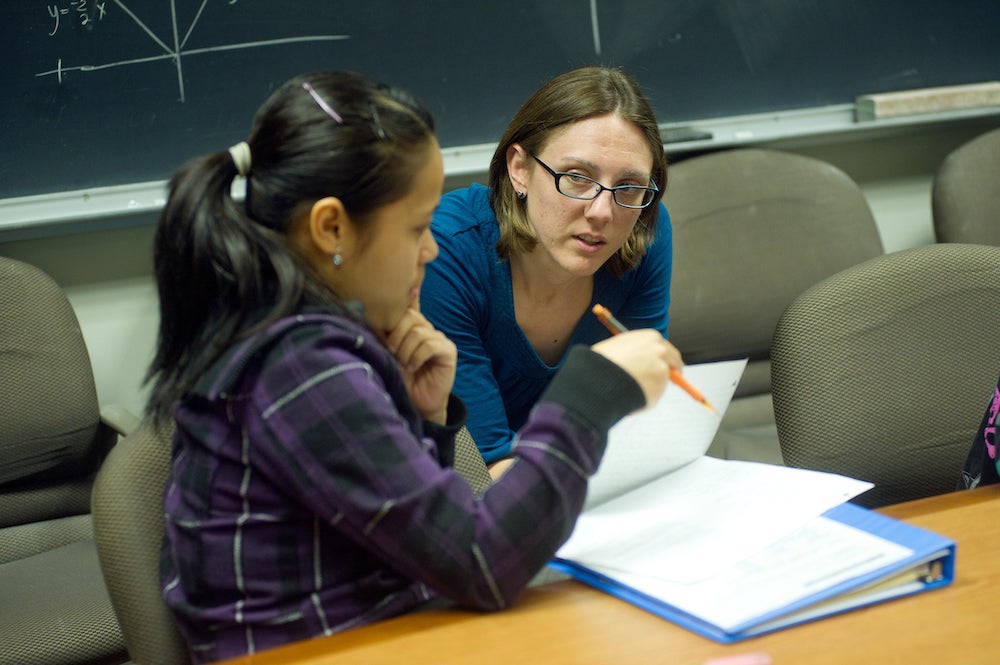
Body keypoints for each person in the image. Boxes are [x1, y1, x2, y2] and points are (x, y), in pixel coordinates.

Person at [145, 70, 680, 663]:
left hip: (384, 632)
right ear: (331, 229)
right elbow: (482, 564)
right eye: (417, 228)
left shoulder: (308, 336)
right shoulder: (298, 363)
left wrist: (425, 421)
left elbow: (410, 536)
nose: (431, 248)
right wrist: (589, 395)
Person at [421, 66, 675, 471]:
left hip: (580, 479)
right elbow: (486, 471)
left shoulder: (643, 229)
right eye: (576, 177)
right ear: (520, 168)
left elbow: (641, 419)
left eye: (628, 186)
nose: (602, 212)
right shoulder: (447, 248)